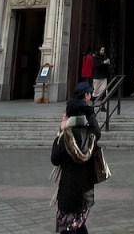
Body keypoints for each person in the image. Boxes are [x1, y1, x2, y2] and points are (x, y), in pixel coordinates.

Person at [51, 96, 97, 234]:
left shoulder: (67, 136)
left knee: (69, 228)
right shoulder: (90, 134)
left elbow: (54, 159)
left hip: (69, 191)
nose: (63, 115)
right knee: (79, 224)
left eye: (65, 113)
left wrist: (59, 133)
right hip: (85, 190)